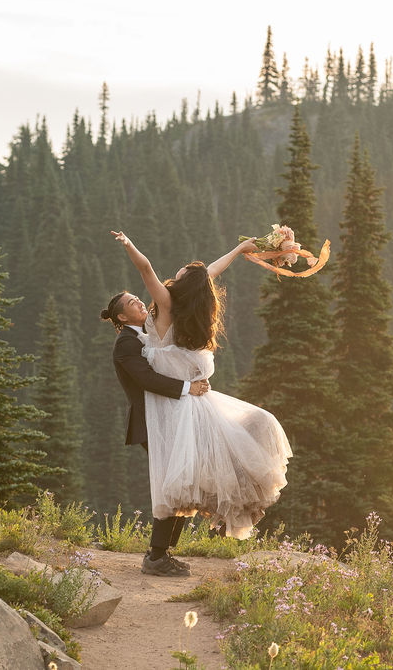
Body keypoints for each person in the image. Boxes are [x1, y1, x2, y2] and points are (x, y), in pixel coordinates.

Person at [108, 230, 292, 546]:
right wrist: (238, 249)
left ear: (181, 286)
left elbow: (146, 269)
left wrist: (130, 245)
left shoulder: (166, 304)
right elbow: (210, 273)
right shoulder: (187, 306)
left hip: (178, 407)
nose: (174, 275)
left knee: (183, 481)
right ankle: (163, 552)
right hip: (184, 404)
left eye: (179, 275)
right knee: (190, 477)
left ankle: (162, 553)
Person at [100, 290, 209, 577]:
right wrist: (188, 387)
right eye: (132, 303)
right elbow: (146, 379)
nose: (139, 302)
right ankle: (157, 556)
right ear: (122, 317)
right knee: (171, 482)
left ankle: (162, 552)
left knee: (180, 480)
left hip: (167, 418)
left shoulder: (145, 334)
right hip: (151, 422)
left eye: (137, 298)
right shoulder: (125, 342)